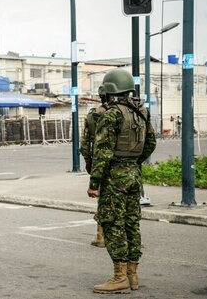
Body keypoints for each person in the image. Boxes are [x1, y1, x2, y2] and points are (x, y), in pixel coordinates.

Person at [87, 69, 156, 294]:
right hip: (134, 174)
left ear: (109, 91)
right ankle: (132, 275)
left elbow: (102, 152)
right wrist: (133, 163)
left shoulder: (112, 114)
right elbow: (151, 144)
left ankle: (119, 278)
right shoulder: (141, 112)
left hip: (114, 177)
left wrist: (94, 183)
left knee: (113, 224)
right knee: (131, 223)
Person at [80, 85, 108, 248]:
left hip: (99, 163)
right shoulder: (124, 113)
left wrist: (90, 166)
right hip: (123, 166)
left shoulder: (92, 116)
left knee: (103, 200)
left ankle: (100, 236)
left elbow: (85, 145)